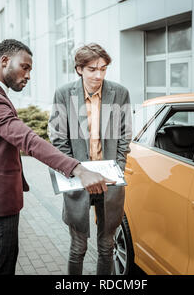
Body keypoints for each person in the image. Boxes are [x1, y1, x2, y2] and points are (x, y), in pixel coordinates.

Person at [0, 39, 114, 275]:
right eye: (25, 67)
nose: (28, 75)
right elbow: (29, 140)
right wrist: (79, 169)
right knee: (0, 269)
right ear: (5, 61)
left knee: (4, 264)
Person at [48, 43, 132, 275]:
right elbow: (58, 138)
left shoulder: (119, 93)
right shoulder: (64, 94)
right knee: (78, 247)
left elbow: (125, 135)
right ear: (79, 69)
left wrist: (119, 168)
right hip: (78, 179)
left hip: (109, 180)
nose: (98, 75)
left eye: (103, 69)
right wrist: (74, 170)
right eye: (92, 69)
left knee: (107, 246)